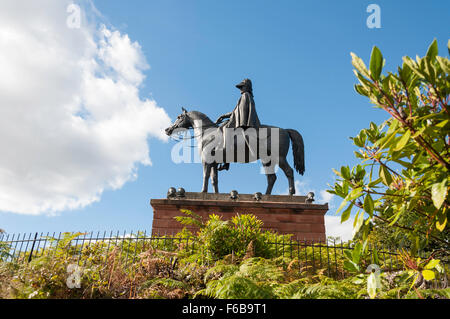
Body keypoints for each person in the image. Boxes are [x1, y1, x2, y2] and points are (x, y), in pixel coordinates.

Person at [215, 78, 261, 171]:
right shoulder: (245, 96)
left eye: (242, 87)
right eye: (240, 87)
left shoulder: (245, 96)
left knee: (225, 129)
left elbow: (242, 111)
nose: (240, 89)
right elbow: (236, 111)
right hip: (237, 120)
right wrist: (223, 116)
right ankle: (226, 162)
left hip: (242, 122)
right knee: (223, 127)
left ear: (246, 87)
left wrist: (241, 123)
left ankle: (226, 159)